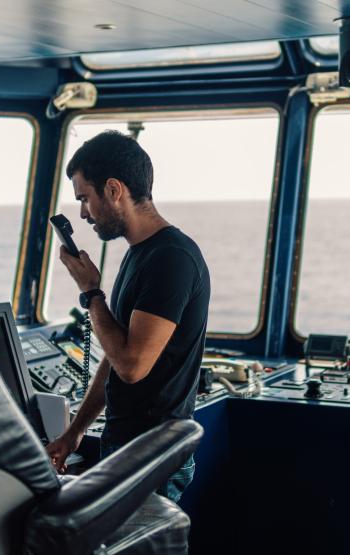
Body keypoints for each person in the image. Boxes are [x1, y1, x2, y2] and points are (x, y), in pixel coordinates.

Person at [46, 130, 210, 503]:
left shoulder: (171, 259)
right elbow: (115, 356)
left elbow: (133, 366)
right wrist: (74, 433)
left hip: (153, 455)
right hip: (128, 447)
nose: (83, 213)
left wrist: (91, 293)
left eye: (85, 198)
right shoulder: (140, 254)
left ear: (114, 189)